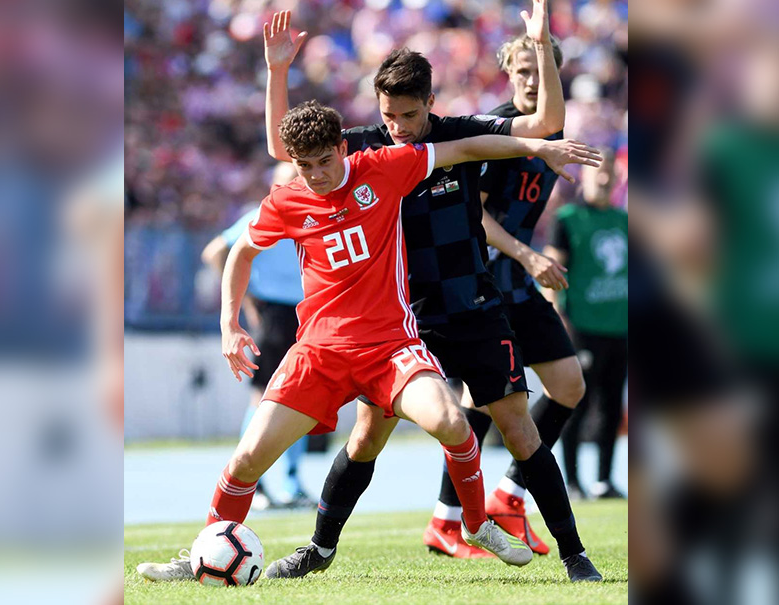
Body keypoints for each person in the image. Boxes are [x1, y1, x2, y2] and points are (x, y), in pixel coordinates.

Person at [136, 99, 601, 582]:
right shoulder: (287, 200)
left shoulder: (382, 167)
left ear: (343, 148)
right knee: (247, 459)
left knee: (450, 422)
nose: (316, 174)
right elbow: (240, 252)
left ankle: (475, 524)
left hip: (391, 347)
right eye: (305, 166)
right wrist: (229, 325)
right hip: (318, 353)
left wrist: (535, 148)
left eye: (324, 161)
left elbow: (464, 148)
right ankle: (203, 554)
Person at [262, 5, 603, 583]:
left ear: (430, 101)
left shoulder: (458, 135)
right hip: (400, 322)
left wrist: (542, 45)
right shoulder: (363, 145)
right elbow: (284, 149)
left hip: (472, 306)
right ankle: (319, 549)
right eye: (388, 113)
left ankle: (575, 556)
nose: (397, 126)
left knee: (519, 428)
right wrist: (277, 73)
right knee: (368, 436)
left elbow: (544, 122)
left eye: (409, 113)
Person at [427, 31, 586, 557]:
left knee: (567, 385)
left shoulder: (551, 130)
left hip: (518, 279)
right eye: (522, 70)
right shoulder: (499, 132)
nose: (532, 80)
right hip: (486, 281)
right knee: (479, 399)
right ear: (507, 73)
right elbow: (476, 214)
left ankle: (509, 494)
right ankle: (447, 520)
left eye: (541, 69)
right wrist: (529, 254)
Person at [201, 162, 313, 509]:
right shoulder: (263, 215)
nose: (295, 186)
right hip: (277, 314)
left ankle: (289, 484)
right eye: (287, 181)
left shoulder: (312, 212)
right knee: (265, 397)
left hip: (307, 315)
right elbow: (215, 251)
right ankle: (258, 485)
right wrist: (246, 299)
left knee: (304, 399)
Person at [544, 150, 628, 500]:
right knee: (576, 402)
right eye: (597, 172)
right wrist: (556, 317)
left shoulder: (624, 220)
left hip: (619, 326)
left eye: (609, 172)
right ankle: (573, 481)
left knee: (611, 406)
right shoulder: (567, 218)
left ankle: (605, 480)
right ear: (583, 176)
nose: (604, 178)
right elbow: (551, 272)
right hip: (581, 325)